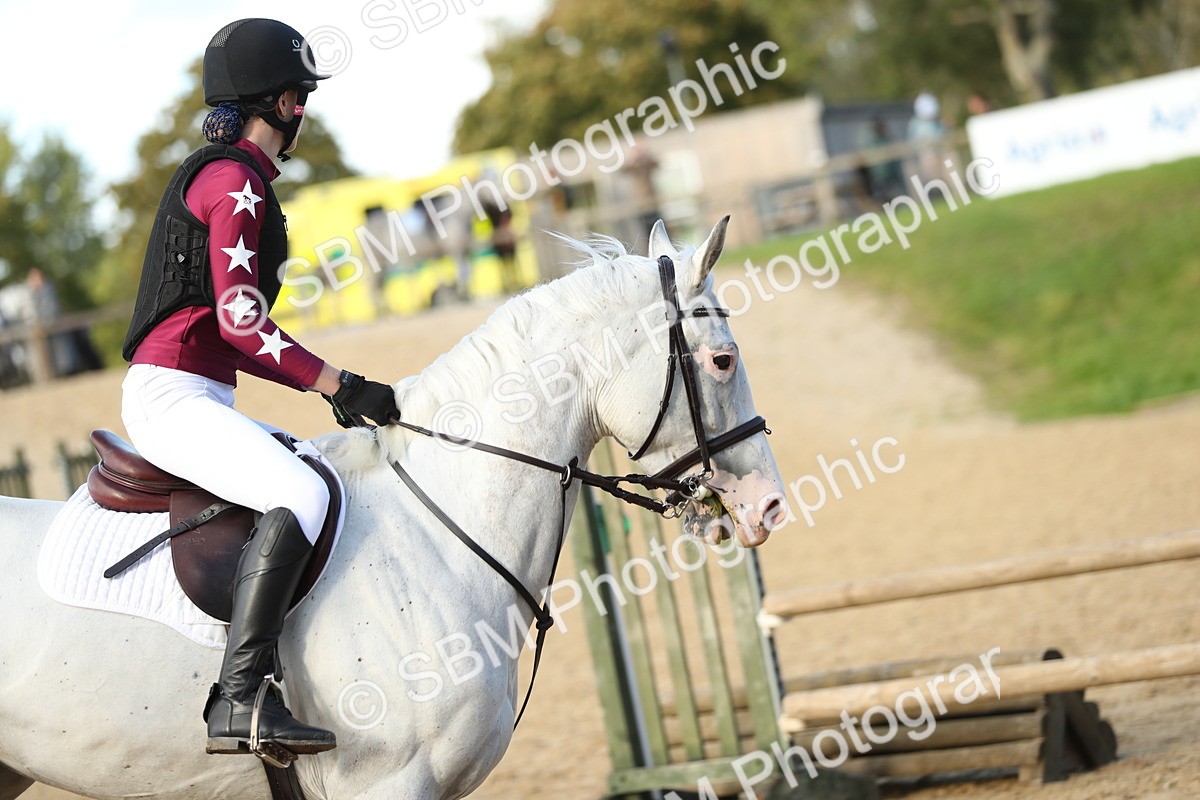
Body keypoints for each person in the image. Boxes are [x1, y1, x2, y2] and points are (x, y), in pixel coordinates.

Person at [119, 19, 400, 759]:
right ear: (282, 102)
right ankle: (239, 700)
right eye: (300, 96)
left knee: (313, 475)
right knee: (303, 495)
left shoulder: (223, 174)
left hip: (193, 391)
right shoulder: (235, 182)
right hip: (171, 396)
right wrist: (339, 382)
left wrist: (329, 387)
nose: (303, 110)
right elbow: (243, 323)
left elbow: (233, 329)